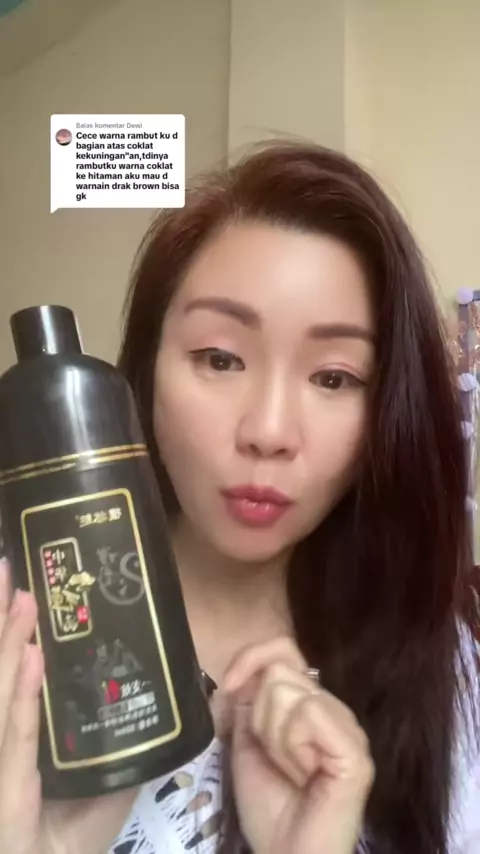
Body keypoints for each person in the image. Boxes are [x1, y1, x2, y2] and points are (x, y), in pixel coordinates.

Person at [0, 141, 479, 854]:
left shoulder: (445, 668)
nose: (269, 432)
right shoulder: (20, 645)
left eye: (335, 377)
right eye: (220, 359)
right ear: (145, 375)